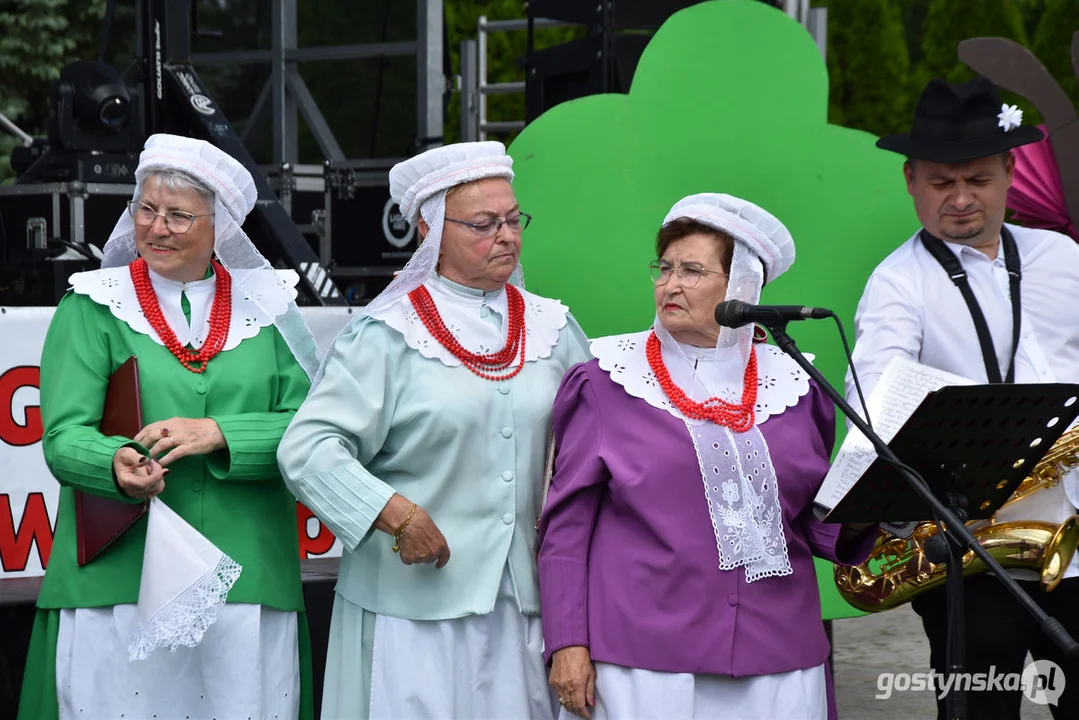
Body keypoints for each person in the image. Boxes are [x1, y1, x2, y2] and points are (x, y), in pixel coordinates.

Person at [277, 140, 592, 719]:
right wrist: (396, 513)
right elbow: (308, 450)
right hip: (412, 613)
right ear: (430, 230)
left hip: (525, 606)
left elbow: (595, 444)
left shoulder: (553, 328)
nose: (506, 235)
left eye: (512, 219)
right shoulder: (385, 334)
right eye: (483, 223)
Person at [537, 192, 877, 720]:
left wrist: (881, 503)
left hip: (780, 655)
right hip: (643, 662)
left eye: (692, 271)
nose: (670, 285)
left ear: (741, 286)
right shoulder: (605, 381)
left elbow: (806, 523)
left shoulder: (797, 385)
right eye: (665, 268)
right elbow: (565, 529)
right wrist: (567, 644)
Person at [18, 133, 322, 720]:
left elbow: (311, 428)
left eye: (179, 215)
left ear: (221, 225)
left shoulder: (269, 306)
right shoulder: (93, 304)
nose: (156, 228)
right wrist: (114, 463)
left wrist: (221, 434)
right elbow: (63, 436)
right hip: (121, 578)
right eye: (146, 210)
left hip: (248, 574)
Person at [848, 75, 1079, 720]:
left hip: (1077, 540)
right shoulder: (897, 283)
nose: (960, 200)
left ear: (1010, 170)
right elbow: (878, 401)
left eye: (977, 180)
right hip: (975, 554)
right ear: (910, 180)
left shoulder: (1062, 258)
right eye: (940, 182)